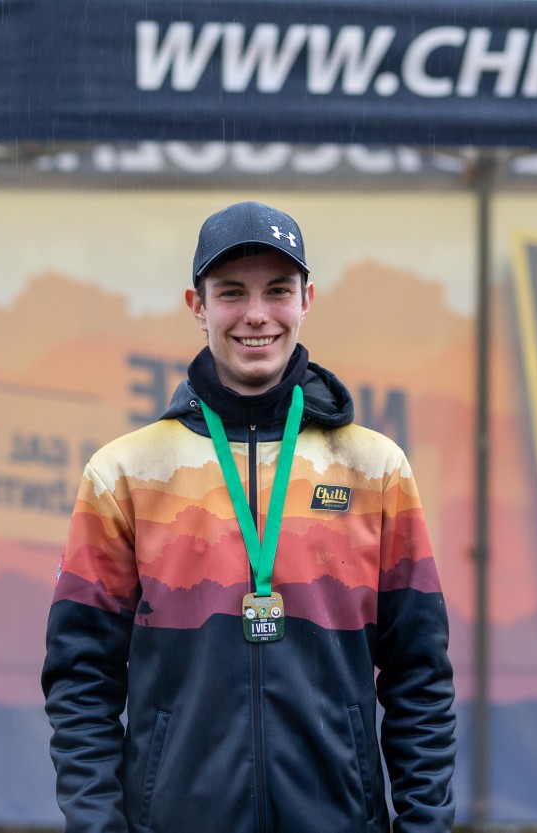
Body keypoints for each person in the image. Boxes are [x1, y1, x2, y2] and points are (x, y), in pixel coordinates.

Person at [42, 201, 456, 833]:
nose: (256, 314)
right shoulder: (126, 473)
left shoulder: (374, 469)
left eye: (278, 290)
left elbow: (419, 676)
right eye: (232, 292)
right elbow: (80, 681)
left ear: (307, 300)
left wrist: (425, 825)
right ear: (197, 306)